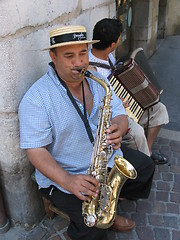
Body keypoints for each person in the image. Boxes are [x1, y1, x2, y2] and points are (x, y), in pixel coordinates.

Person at [18, 25, 155, 240]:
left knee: (146, 168)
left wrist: (120, 126)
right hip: (67, 173)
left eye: (83, 53)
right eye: (69, 56)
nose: (79, 62)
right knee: (92, 228)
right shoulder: (37, 98)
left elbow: (119, 111)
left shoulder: (96, 79)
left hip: (105, 160)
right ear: (53, 56)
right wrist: (68, 181)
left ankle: (111, 209)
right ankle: (82, 230)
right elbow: (36, 151)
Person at [89, 18, 169, 164]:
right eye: (119, 38)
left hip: (123, 103)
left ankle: (147, 152)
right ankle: (145, 164)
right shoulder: (92, 69)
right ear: (113, 44)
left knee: (159, 109)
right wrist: (120, 103)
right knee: (137, 132)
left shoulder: (109, 57)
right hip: (112, 114)